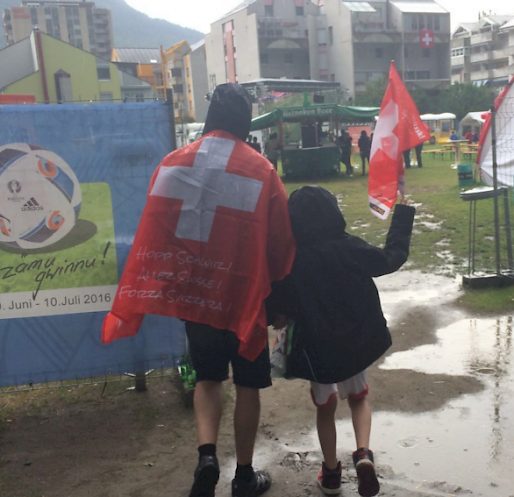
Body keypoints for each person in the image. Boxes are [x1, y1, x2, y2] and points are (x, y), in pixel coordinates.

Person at [102, 83, 295, 497]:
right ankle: (244, 476)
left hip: (198, 298)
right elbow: (280, 243)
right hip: (245, 301)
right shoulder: (262, 170)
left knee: (207, 379)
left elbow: (157, 231)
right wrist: (279, 298)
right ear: (245, 119)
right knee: (248, 385)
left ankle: (207, 458)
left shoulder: (172, 164)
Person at [266, 186, 415, 497]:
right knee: (359, 399)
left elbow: (279, 305)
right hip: (355, 343)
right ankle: (363, 454)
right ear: (333, 213)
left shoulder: (293, 260)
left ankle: (331, 473)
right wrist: (402, 217)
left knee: (325, 407)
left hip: (318, 351)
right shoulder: (348, 247)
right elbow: (390, 258)